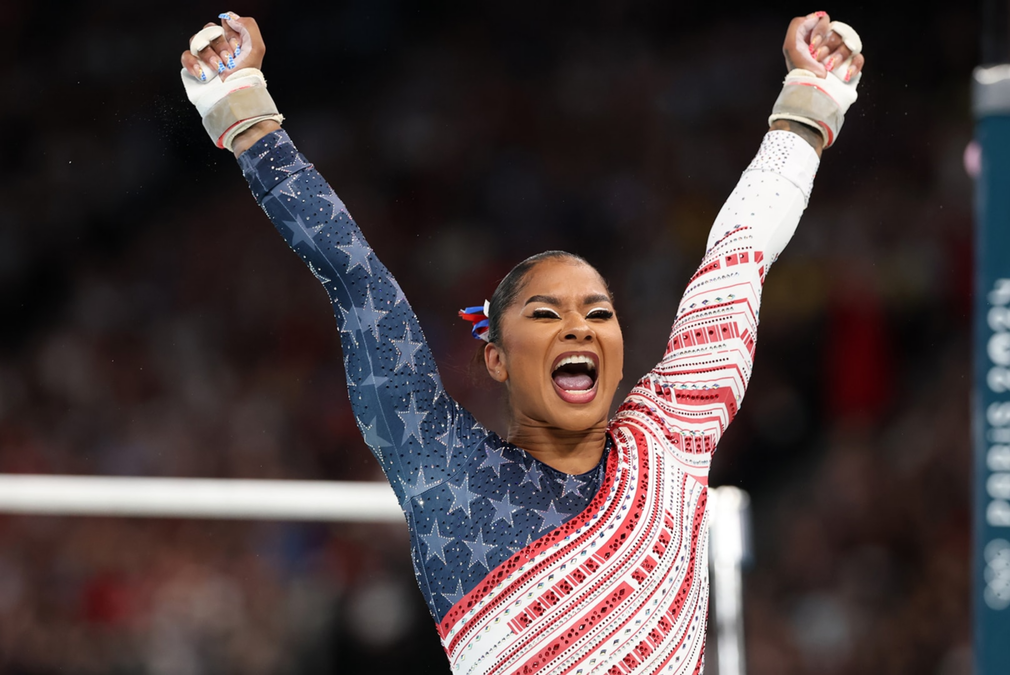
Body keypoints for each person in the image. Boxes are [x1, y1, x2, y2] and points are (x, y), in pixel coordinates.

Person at [178, 10, 865, 673]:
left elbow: (739, 255)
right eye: (545, 314)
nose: (578, 327)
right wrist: (247, 117)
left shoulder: (668, 439)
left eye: (598, 313)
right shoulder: (445, 474)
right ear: (496, 358)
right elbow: (358, 282)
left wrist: (808, 103)